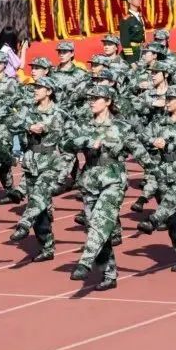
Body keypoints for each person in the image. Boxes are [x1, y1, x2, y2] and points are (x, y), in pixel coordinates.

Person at [64, 85, 127, 291]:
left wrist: (154, 182)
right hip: (90, 180)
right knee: (97, 228)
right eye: (90, 98)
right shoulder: (83, 125)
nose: (91, 102)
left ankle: (85, 262)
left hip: (113, 180)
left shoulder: (121, 126)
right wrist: (89, 141)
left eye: (96, 98)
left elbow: (142, 151)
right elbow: (67, 144)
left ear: (108, 101)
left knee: (100, 223)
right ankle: (109, 274)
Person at [7, 77, 72, 261]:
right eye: (34, 87)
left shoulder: (59, 113)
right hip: (31, 163)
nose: (35, 90)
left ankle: (23, 225)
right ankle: (47, 247)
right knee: (39, 209)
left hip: (50, 163)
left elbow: (70, 141)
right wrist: (28, 126)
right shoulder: (28, 109)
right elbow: (11, 124)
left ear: (49, 91)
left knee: (37, 198)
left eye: (39, 87)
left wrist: (64, 171)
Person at [135, 87, 176, 271]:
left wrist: (169, 143)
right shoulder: (160, 121)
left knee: (171, 200)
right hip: (164, 170)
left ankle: (153, 221)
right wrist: (152, 141)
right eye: (166, 98)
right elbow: (142, 135)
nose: (167, 102)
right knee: (173, 217)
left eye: (171, 99)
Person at [119, 0, 146, 64]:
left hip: (141, 52)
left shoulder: (140, 16)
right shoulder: (126, 20)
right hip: (133, 54)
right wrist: (131, 61)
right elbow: (125, 42)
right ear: (129, 0)